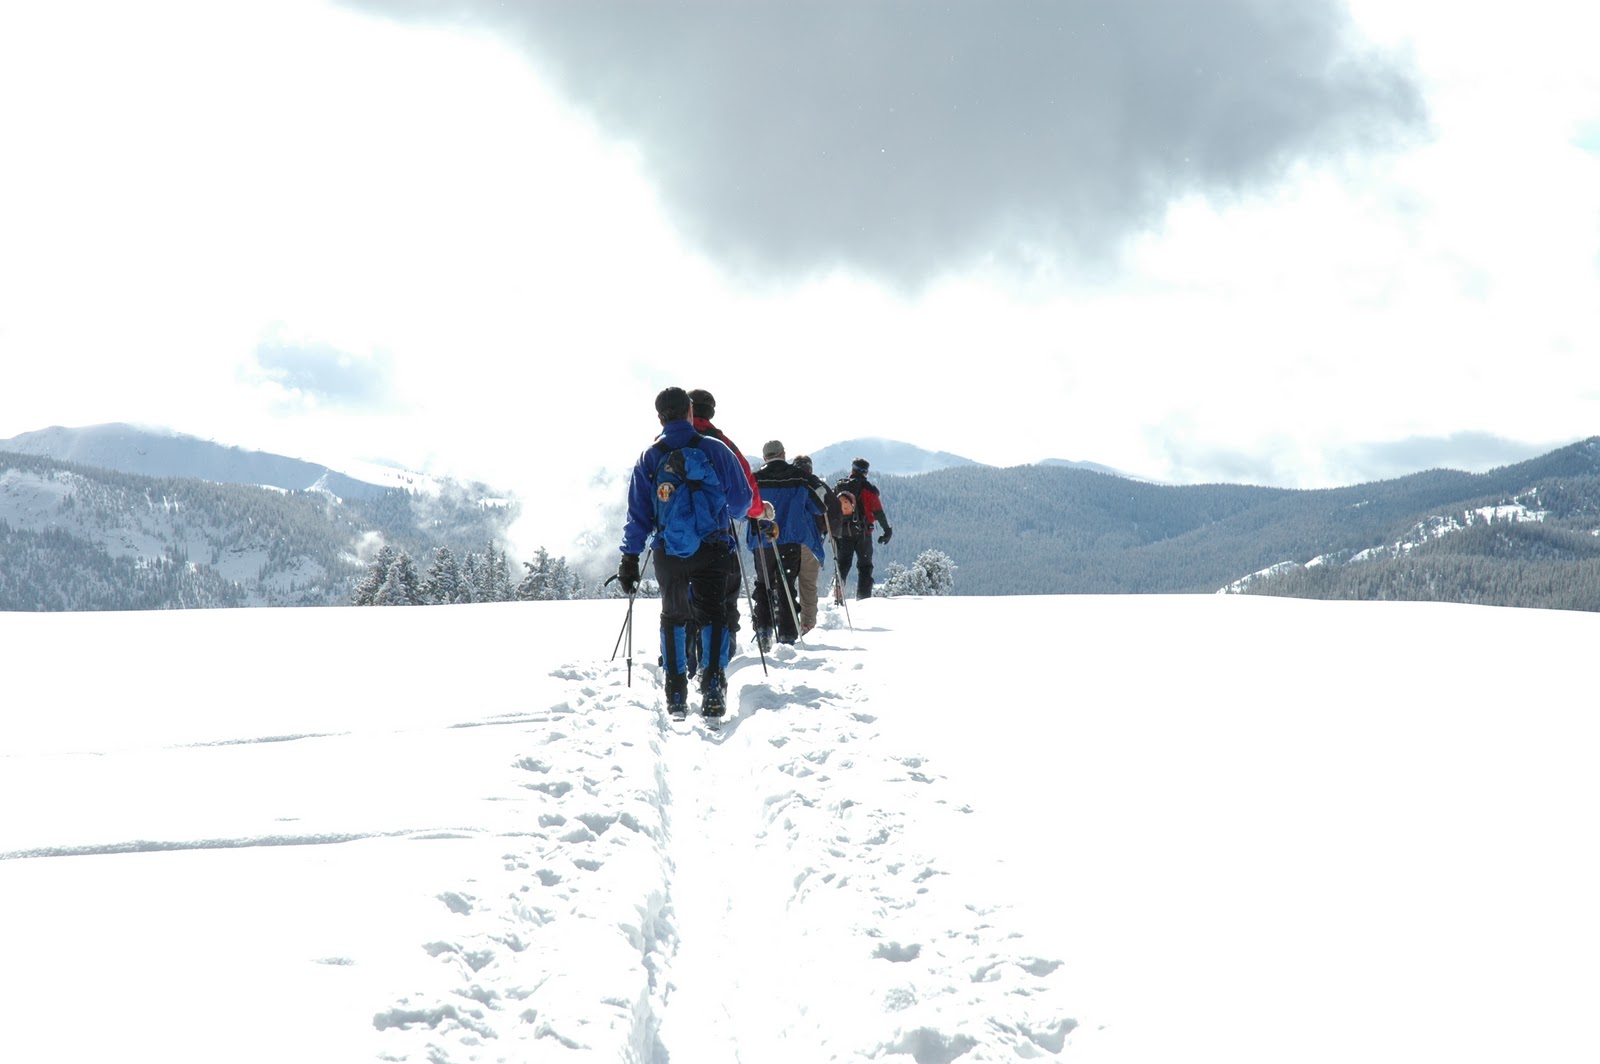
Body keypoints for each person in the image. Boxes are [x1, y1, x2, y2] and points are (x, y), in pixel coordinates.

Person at [618, 387, 754, 720]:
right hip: (713, 545)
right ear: (690, 411)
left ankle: (676, 691)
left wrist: (630, 558)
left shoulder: (650, 457)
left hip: (669, 550)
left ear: (660, 415)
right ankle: (712, 685)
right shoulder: (716, 450)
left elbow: (638, 515)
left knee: (674, 614)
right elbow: (741, 503)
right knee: (713, 614)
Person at [746, 441, 825, 649]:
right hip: (790, 539)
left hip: (761, 540)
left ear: (765, 458)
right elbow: (819, 507)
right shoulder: (799, 477)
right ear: (783, 454)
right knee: (786, 585)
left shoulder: (755, 479)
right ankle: (787, 636)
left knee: (763, 585)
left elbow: (744, 508)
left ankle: (763, 629)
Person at [830, 457, 892, 600]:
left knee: (842, 565)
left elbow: (831, 510)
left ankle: (837, 597)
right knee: (865, 567)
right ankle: (863, 600)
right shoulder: (868, 489)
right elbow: (878, 512)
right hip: (863, 533)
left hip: (842, 533)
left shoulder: (839, 487)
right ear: (865, 472)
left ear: (852, 469)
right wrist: (887, 530)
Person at [791, 454, 834, 635]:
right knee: (808, 583)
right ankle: (807, 623)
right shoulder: (818, 486)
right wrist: (829, 532)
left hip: (787, 539)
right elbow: (833, 512)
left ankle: (787, 621)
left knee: (786, 581)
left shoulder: (789, 482)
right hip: (812, 540)